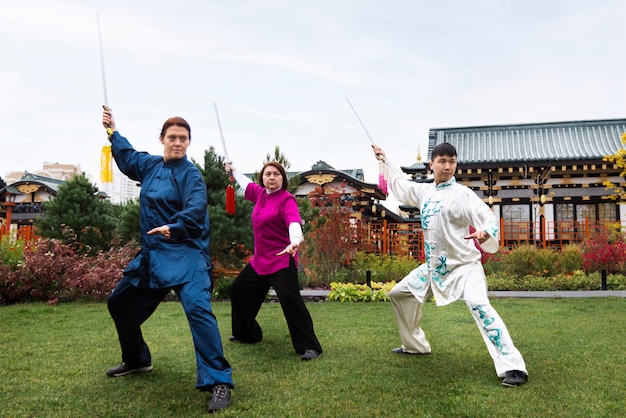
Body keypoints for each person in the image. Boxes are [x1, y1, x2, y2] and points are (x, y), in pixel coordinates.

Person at [101, 107, 234, 413]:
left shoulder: (191, 176)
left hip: (187, 256)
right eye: (172, 137)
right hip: (153, 258)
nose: (177, 142)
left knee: (199, 313)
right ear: (162, 139)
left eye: (183, 139)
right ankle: (136, 360)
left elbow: (196, 209)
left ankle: (219, 382)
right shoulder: (149, 166)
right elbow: (127, 155)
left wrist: (172, 227)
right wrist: (112, 130)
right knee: (119, 302)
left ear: (189, 143)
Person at [372, 142, 528, 387]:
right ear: (431, 164)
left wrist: (485, 232)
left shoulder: (463, 194)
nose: (447, 166)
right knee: (399, 295)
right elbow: (401, 184)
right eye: (442, 161)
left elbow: (487, 216)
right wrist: (385, 160)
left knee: (479, 305)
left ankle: (514, 367)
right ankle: (415, 345)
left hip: (465, 267)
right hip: (434, 270)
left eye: (452, 161)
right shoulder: (424, 192)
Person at [225, 161, 323, 361]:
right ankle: (247, 334)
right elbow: (245, 183)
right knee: (238, 290)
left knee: (290, 300)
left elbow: (294, 222)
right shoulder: (259, 194)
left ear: (282, 178)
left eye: (276, 174)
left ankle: (310, 347)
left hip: (281, 260)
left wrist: (295, 241)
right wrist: (234, 170)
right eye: (267, 174)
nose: (271, 177)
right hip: (259, 261)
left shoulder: (286, 200)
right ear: (262, 178)